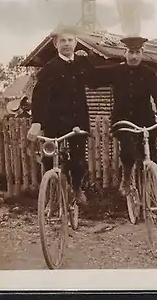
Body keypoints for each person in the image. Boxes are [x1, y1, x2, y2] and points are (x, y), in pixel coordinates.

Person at [88, 36, 157, 196]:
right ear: (124, 53)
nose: (134, 56)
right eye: (131, 52)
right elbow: (93, 79)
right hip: (122, 120)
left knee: (150, 154)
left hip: (145, 120)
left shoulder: (149, 73)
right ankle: (126, 179)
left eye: (137, 52)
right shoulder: (116, 70)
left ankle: (150, 189)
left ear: (142, 53)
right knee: (128, 151)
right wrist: (88, 60)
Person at [26, 25, 92, 206]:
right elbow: (40, 97)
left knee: (79, 162)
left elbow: (97, 77)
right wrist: (37, 122)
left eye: (70, 40)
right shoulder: (49, 69)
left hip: (78, 123)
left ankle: (77, 188)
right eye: (62, 41)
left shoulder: (82, 64)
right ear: (55, 44)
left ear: (76, 43)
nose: (67, 44)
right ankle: (52, 196)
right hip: (54, 122)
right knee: (49, 160)